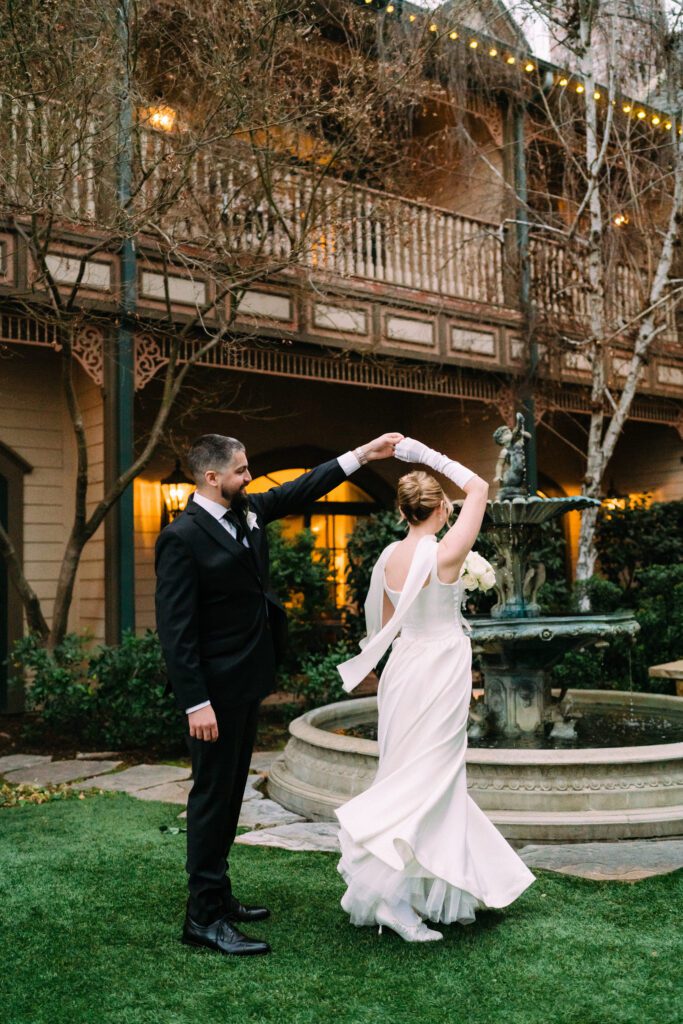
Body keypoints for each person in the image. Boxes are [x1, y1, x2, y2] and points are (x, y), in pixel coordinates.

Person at [155, 431, 403, 957]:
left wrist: (361, 454)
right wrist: (195, 702)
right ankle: (202, 918)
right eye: (242, 471)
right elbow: (175, 630)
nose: (250, 478)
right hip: (214, 694)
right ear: (212, 478)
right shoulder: (182, 537)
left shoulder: (246, 511)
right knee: (210, 798)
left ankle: (218, 897)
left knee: (229, 798)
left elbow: (301, 488)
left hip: (247, 681)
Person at [335, 437, 536, 943]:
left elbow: (381, 631)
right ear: (441, 507)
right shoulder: (449, 551)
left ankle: (436, 889)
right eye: (446, 502)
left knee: (409, 773)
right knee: (431, 779)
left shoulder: (388, 558)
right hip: (443, 667)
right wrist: (423, 452)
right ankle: (396, 903)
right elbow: (480, 486)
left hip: (405, 669)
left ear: (402, 511)